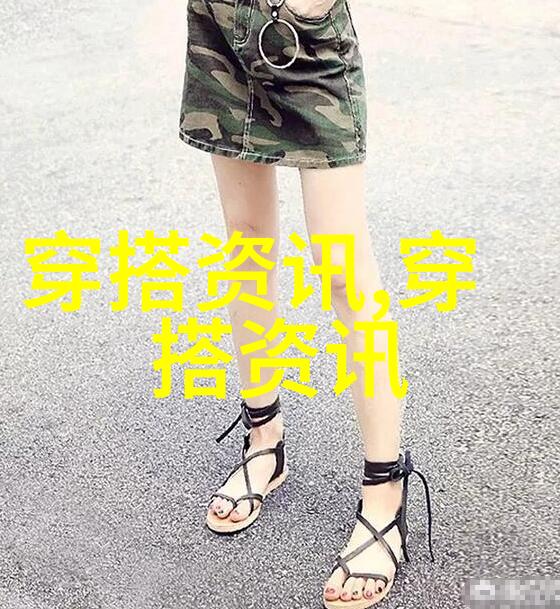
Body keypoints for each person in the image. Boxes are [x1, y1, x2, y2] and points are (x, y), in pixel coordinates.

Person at [178, 0, 434, 606]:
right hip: (221, 28)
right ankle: (263, 441)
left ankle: (384, 496)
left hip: (307, 39)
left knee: (344, 273)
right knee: (246, 244)